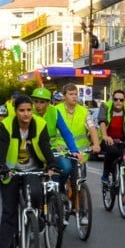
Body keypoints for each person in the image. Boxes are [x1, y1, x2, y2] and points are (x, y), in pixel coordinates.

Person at [0, 95, 59, 248]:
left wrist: (52, 164)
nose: (26, 114)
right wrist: (1, 167)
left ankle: (36, 218)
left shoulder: (40, 124)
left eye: (29, 110)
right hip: (11, 171)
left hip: (33, 169)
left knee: (37, 193)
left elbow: (45, 146)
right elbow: (2, 149)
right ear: (15, 112)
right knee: (9, 212)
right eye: (22, 110)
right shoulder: (7, 125)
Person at [54, 83, 101, 216]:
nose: (74, 97)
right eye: (71, 94)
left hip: (80, 153)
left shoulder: (84, 111)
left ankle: (79, 209)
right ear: (64, 96)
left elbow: (91, 128)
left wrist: (96, 144)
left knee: (78, 182)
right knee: (65, 170)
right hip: (62, 150)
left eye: (76, 94)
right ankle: (61, 192)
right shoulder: (56, 110)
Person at [29, 87, 80, 194]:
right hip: (32, 150)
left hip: (51, 148)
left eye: (42, 102)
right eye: (36, 101)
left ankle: (59, 191)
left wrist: (74, 149)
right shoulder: (28, 112)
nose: (38, 105)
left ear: (48, 103)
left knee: (66, 167)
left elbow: (66, 132)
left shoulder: (54, 112)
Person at [98, 89, 125, 187]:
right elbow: (102, 121)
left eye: (121, 100)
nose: (118, 102)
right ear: (112, 100)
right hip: (108, 139)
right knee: (112, 152)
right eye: (116, 99)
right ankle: (105, 176)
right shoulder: (106, 106)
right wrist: (105, 136)